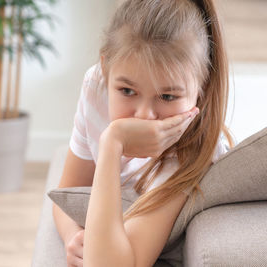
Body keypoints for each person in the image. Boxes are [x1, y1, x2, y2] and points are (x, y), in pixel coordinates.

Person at [53, 0, 236, 266]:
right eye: (127, 91)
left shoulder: (191, 153)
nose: (144, 116)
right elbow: (66, 192)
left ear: (201, 87)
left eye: (167, 96)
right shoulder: (97, 86)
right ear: (105, 69)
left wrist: (112, 143)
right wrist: (74, 235)